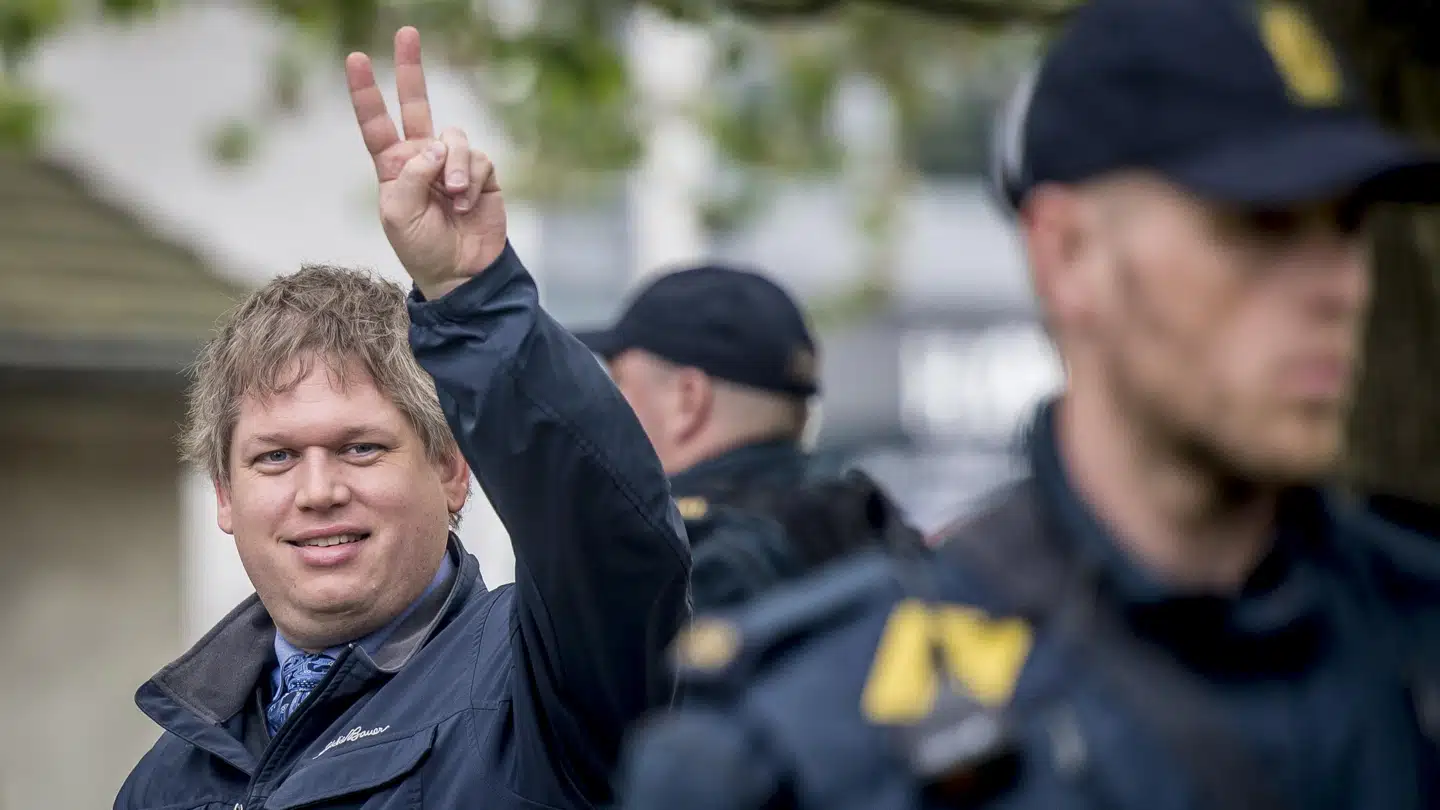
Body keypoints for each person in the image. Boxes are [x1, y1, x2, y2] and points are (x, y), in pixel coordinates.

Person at [616, 0, 1440, 808]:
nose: (1341, 285)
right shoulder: (806, 743)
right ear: (1069, 255)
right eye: (1261, 223)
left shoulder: (1413, 642)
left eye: (1349, 224)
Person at [115, 27, 689, 810]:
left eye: (359, 448)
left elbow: (609, 536)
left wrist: (473, 296)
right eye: (274, 458)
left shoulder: (546, 691)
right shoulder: (167, 779)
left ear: (452, 469)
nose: (317, 491)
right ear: (223, 493)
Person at [576, 264, 923, 610]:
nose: (605, 403)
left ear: (687, 399)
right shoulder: (866, 521)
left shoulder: (679, 560)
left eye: (619, 381)